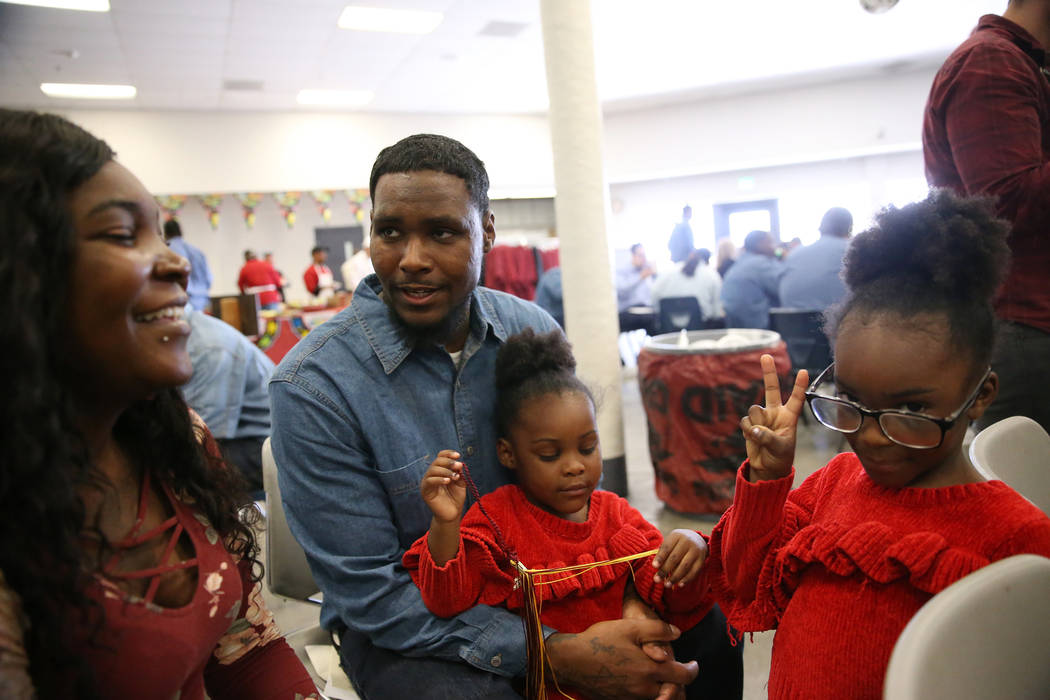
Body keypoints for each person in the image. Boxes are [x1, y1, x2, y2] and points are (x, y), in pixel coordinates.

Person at [271, 133, 723, 700]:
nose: (412, 259)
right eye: (390, 232)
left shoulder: (530, 331)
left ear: (486, 231)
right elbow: (373, 597)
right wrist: (550, 649)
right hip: (414, 626)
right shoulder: (314, 386)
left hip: (556, 585)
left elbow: (577, 506)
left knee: (708, 633)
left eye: (441, 231)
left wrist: (629, 600)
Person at [0, 109, 316, 699]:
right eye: (124, 235)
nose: (174, 262)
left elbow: (248, 653)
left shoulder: (177, 440)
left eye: (162, 236)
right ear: (22, 274)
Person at [705, 190, 1050, 700]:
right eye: (850, 400)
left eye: (909, 410)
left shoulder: (1016, 537)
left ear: (981, 396)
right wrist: (766, 482)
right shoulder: (832, 485)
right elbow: (746, 578)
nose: (868, 434)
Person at [404, 329, 716, 700]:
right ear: (508, 454)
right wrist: (445, 523)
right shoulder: (498, 521)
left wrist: (692, 552)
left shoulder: (618, 518)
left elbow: (674, 601)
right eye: (550, 455)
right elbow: (446, 601)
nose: (574, 467)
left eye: (587, 447)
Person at [922, 0, 1050, 434]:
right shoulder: (991, 61)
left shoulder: (1017, 63)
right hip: (1026, 326)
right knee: (1030, 498)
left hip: (1026, 323)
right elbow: (1009, 203)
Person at [182, 307, 276, 498]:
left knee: (175, 467)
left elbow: (202, 436)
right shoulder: (185, 335)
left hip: (260, 445)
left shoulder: (206, 347)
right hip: (235, 436)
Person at [777, 207, 852, 310]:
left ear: (821, 227)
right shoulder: (851, 250)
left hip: (791, 324)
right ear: (849, 228)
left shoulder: (794, 254)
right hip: (837, 322)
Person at [719, 230, 784, 329]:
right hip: (759, 328)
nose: (774, 247)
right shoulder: (763, 264)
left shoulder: (738, 264)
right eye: (771, 242)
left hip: (735, 328)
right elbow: (786, 290)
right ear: (760, 244)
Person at [650, 248, 724, 323]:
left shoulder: (664, 275)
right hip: (703, 331)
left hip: (668, 332)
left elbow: (654, 302)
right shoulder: (711, 275)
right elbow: (717, 313)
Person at [164, 218, 212, 312]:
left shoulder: (168, 251)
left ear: (165, 233)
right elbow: (209, 280)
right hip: (202, 302)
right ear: (180, 231)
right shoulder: (197, 251)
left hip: (182, 304)